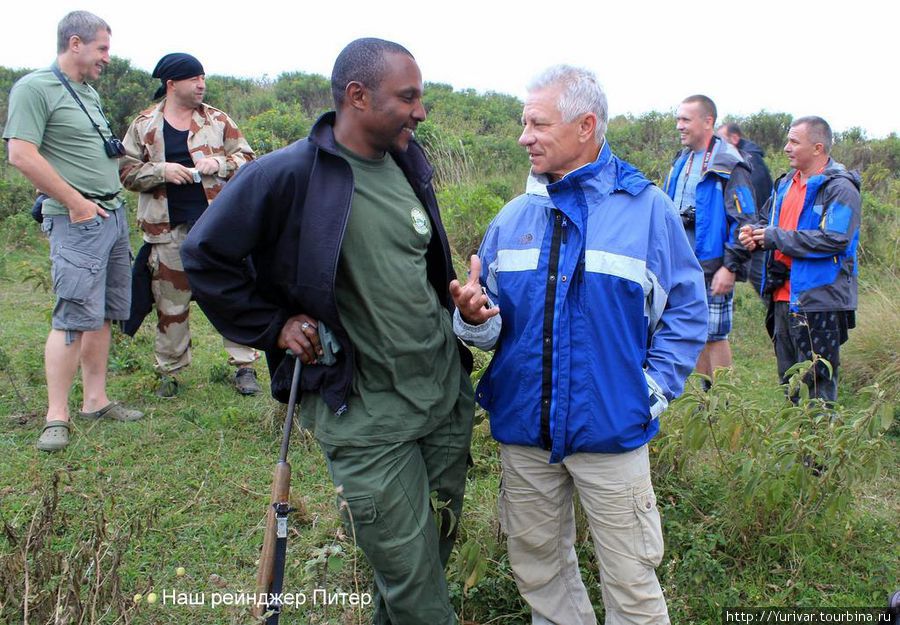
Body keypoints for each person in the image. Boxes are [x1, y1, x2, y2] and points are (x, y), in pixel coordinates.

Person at [181, 38, 474, 624]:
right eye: (408, 97)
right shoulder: (288, 174)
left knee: (425, 565)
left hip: (442, 399)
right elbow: (204, 254)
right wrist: (274, 325)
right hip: (366, 415)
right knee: (420, 595)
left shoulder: (408, 161)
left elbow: (418, 265)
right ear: (358, 97)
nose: (420, 111)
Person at [452, 65, 707, 625]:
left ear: (586, 125)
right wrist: (471, 318)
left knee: (632, 580)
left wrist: (648, 392)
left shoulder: (648, 213)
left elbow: (688, 313)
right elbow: (490, 327)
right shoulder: (514, 217)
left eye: (537, 124)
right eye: (524, 123)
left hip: (611, 431)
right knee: (538, 568)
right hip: (525, 433)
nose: (524, 136)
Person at [3, 11, 143, 453]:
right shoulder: (34, 87)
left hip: (112, 215)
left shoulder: (88, 92)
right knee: (71, 316)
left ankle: (95, 400)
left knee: (102, 312)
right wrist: (76, 203)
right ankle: (56, 415)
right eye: (102, 47)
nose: (107, 57)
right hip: (78, 220)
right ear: (76, 42)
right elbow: (21, 155)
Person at [119, 53, 259, 397]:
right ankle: (169, 372)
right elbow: (124, 171)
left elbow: (247, 158)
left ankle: (245, 367)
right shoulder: (144, 125)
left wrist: (220, 164)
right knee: (170, 303)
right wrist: (160, 171)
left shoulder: (217, 120)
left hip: (217, 227)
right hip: (166, 229)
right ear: (172, 84)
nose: (201, 84)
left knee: (230, 294)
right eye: (194, 78)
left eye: (203, 78)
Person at [739, 116, 860, 402]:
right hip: (782, 297)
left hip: (820, 300)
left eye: (794, 141)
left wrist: (773, 237)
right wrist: (753, 235)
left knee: (818, 385)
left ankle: (819, 447)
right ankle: (792, 446)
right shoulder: (784, 184)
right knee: (789, 382)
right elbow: (765, 221)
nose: (786, 147)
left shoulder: (840, 188)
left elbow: (835, 239)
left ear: (818, 148)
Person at [663, 95, 757, 386]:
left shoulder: (729, 164)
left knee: (716, 335)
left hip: (713, 263)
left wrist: (730, 267)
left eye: (686, 120)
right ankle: (706, 401)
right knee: (695, 333)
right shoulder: (682, 161)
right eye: (678, 119)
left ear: (708, 122)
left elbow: (745, 222)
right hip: (682, 264)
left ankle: (724, 404)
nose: (679, 126)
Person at [718, 122, 774, 295]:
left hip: (755, 234)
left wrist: (751, 230)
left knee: (762, 282)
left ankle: (784, 317)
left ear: (734, 138)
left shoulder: (746, 161)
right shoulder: (748, 158)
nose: (717, 144)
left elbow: (749, 200)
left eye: (721, 139)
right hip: (753, 231)